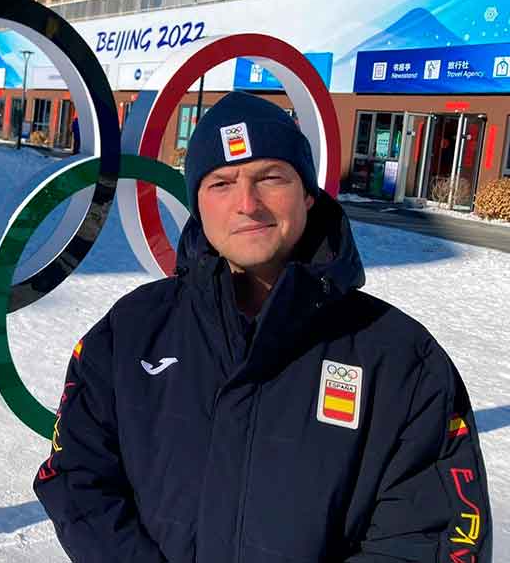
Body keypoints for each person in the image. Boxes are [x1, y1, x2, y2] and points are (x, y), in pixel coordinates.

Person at [33, 91, 491, 563]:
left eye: (270, 178)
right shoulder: (129, 333)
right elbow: (77, 477)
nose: (246, 204)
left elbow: (428, 536)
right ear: (197, 204)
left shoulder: (401, 359)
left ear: (308, 195)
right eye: (221, 183)